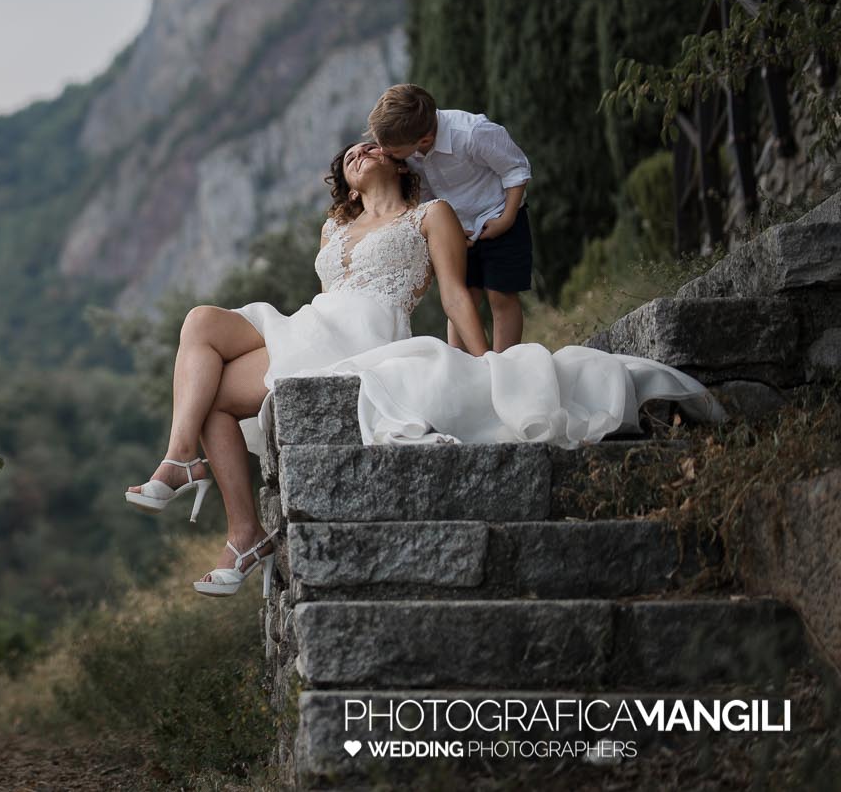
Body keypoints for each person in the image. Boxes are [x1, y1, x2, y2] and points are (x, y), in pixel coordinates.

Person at [122, 143, 721, 599]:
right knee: (200, 322)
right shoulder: (334, 226)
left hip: (368, 330)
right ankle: (190, 470)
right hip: (314, 324)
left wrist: (488, 359)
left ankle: (228, 518)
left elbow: (456, 295)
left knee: (215, 402)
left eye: (368, 145)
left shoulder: (430, 214)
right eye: (350, 154)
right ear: (346, 182)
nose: (358, 151)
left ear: (399, 162)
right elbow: (330, 290)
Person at [367, 83, 531, 352]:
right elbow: (426, 193)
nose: (385, 153)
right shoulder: (409, 153)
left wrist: (507, 218)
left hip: (499, 216)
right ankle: (463, 368)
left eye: (392, 151)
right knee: (463, 299)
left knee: (500, 296)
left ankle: (505, 364)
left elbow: (516, 168)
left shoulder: (472, 133)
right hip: (457, 231)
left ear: (424, 141)